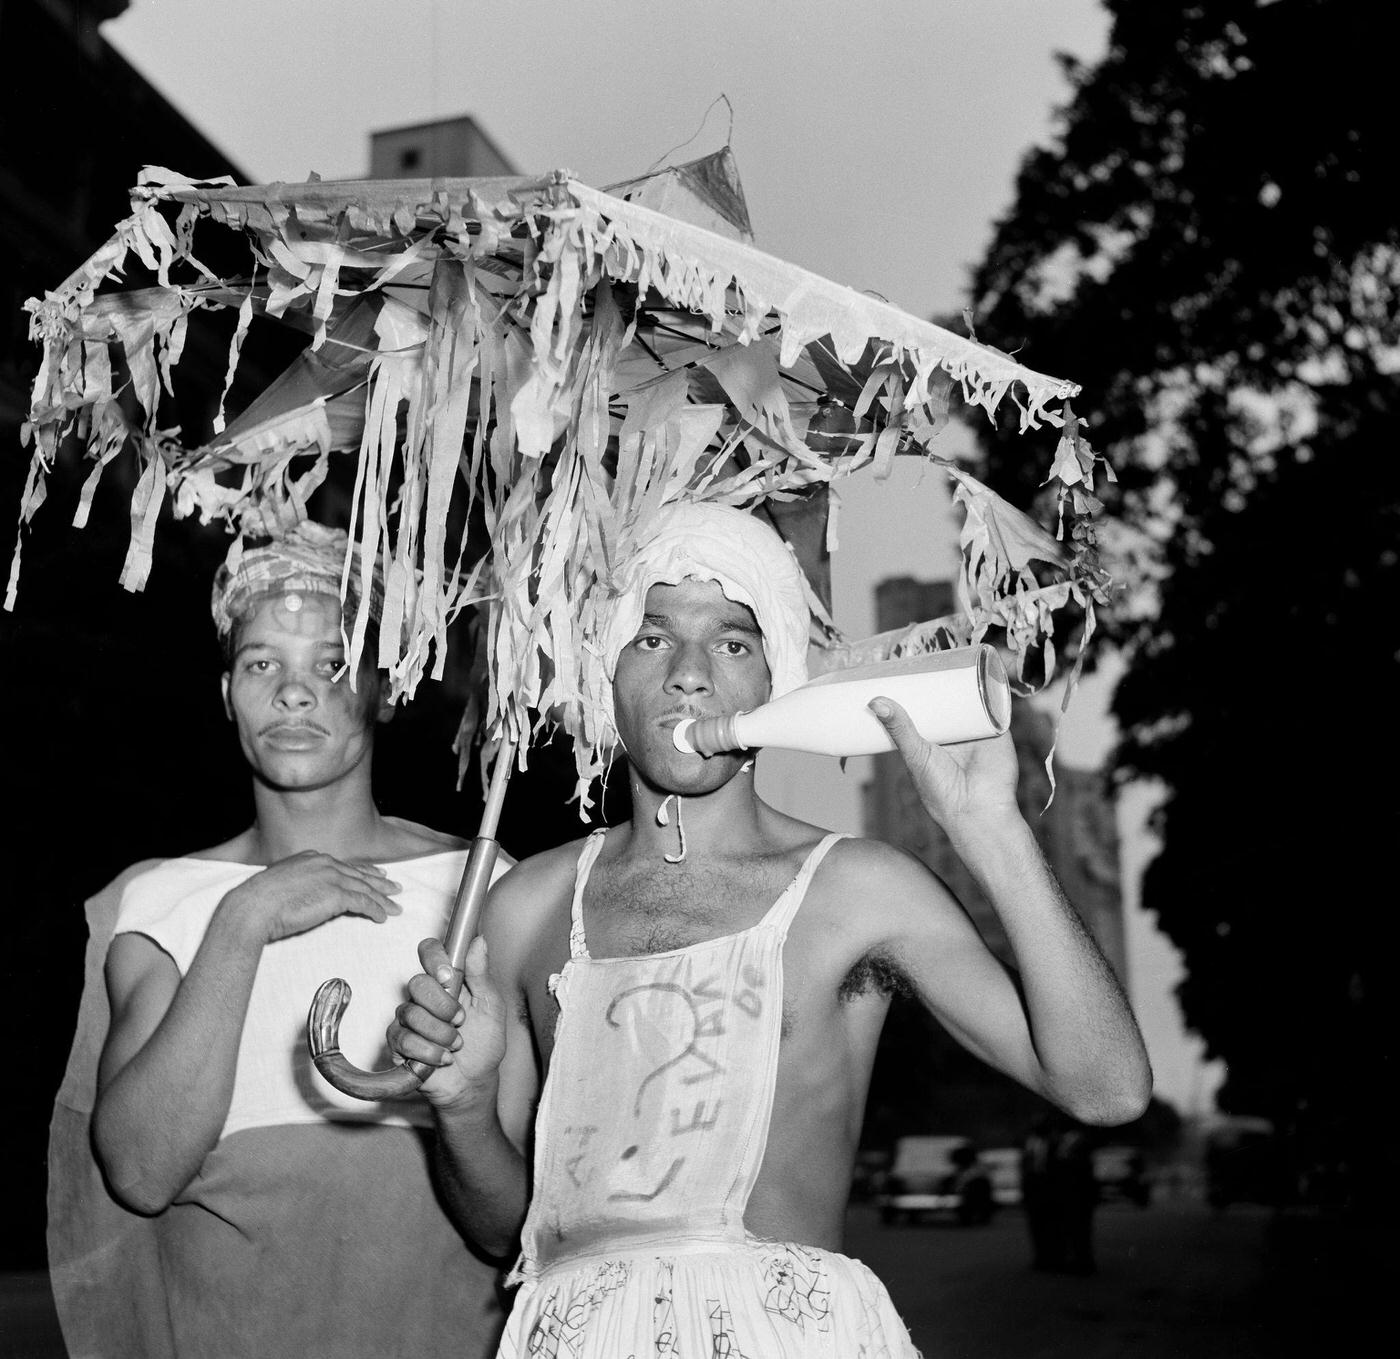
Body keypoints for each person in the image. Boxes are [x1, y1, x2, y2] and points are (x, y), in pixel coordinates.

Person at [389, 501, 1153, 1356]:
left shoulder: (856, 891)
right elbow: (506, 1233)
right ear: (606, 674)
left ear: (773, 683)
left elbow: (1108, 1088)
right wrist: (457, 1105)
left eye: (732, 641)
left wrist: (994, 832)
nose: (688, 672)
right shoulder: (524, 906)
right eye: (652, 636)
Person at [48, 521, 509, 1359]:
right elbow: (142, 1172)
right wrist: (243, 919)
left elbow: (511, 1219)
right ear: (227, 693)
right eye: (263, 662)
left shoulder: (479, 889)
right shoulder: (159, 903)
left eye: (330, 663)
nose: (295, 693)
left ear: (383, 688)